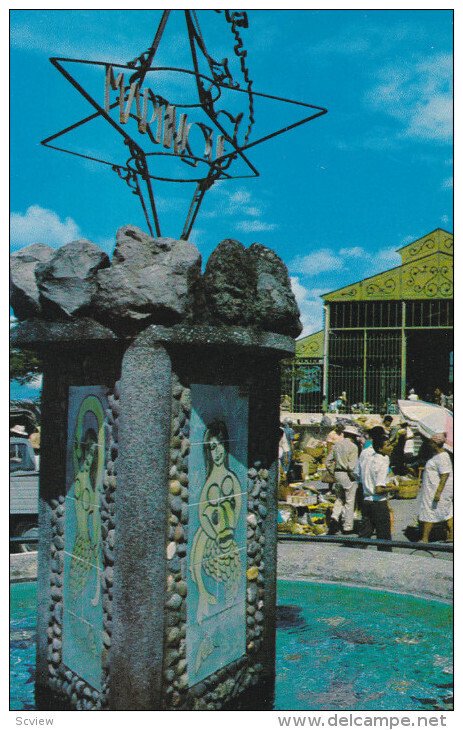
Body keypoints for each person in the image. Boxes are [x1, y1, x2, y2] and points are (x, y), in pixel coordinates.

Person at [355, 428, 393, 551]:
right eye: (388, 445)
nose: (391, 447)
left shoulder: (366, 455)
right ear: (380, 448)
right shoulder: (383, 460)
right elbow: (378, 489)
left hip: (366, 500)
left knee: (365, 534)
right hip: (378, 502)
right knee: (383, 537)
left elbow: (357, 474)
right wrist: (395, 488)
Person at [418, 434, 453, 543]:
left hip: (436, 490)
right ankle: (452, 534)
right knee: (447, 511)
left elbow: (445, 475)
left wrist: (438, 492)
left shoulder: (442, 457)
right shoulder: (437, 455)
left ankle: (425, 539)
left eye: (431, 442)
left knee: (430, 512)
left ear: (435, 444)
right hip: (433, 488)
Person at [326, 425, 360, 535]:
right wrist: (355, 477)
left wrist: (333, 472)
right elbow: (351, 466)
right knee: (350, 501)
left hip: (337, 473)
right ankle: (347, 526)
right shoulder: (353, 447)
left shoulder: (336, 445)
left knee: (340, 498)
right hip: (347, 475)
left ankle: (334, 517)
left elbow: (328, 461)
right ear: (354, 436)